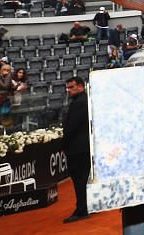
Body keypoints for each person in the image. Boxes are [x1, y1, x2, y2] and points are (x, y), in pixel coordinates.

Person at [62, 76, 91, 223]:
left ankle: (81, 210)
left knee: (79, 181)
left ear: (80, 86)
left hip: (77, 148)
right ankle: (85, 207)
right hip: (83, 147)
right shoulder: (84, 100)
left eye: (71, 87)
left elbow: (71, 128)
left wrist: (63, 144)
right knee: (83, 180)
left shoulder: (79, 103)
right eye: (67, 88)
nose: (68, 90)